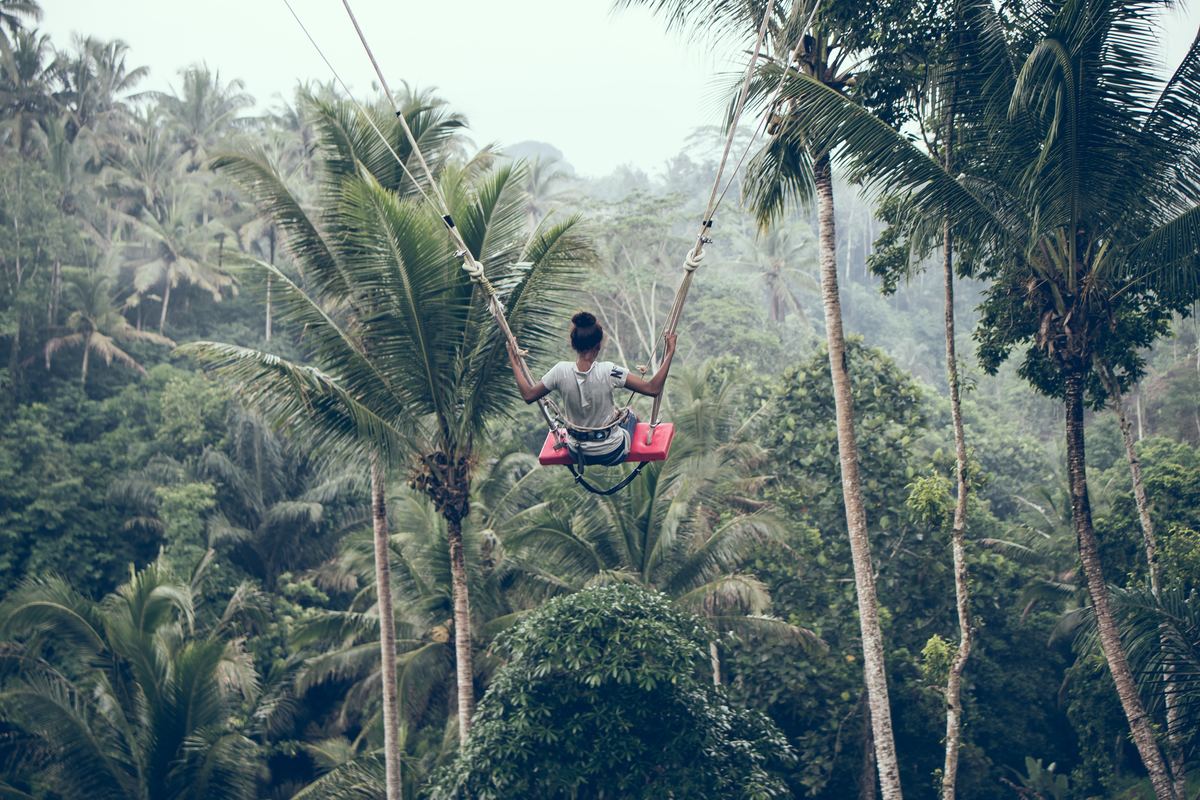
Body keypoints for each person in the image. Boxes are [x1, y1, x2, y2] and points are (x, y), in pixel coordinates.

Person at [507, 311, 677, 466]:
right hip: (612, 452)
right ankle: (644, 443)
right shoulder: (609, 371)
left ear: (574, 344)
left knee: (615, 418)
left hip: (577, 453)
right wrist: (670, 352)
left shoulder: (559, 371)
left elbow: (529, 395)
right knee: (629, 414)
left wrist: (514, 361)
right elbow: (653, 389)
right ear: (598, 346)